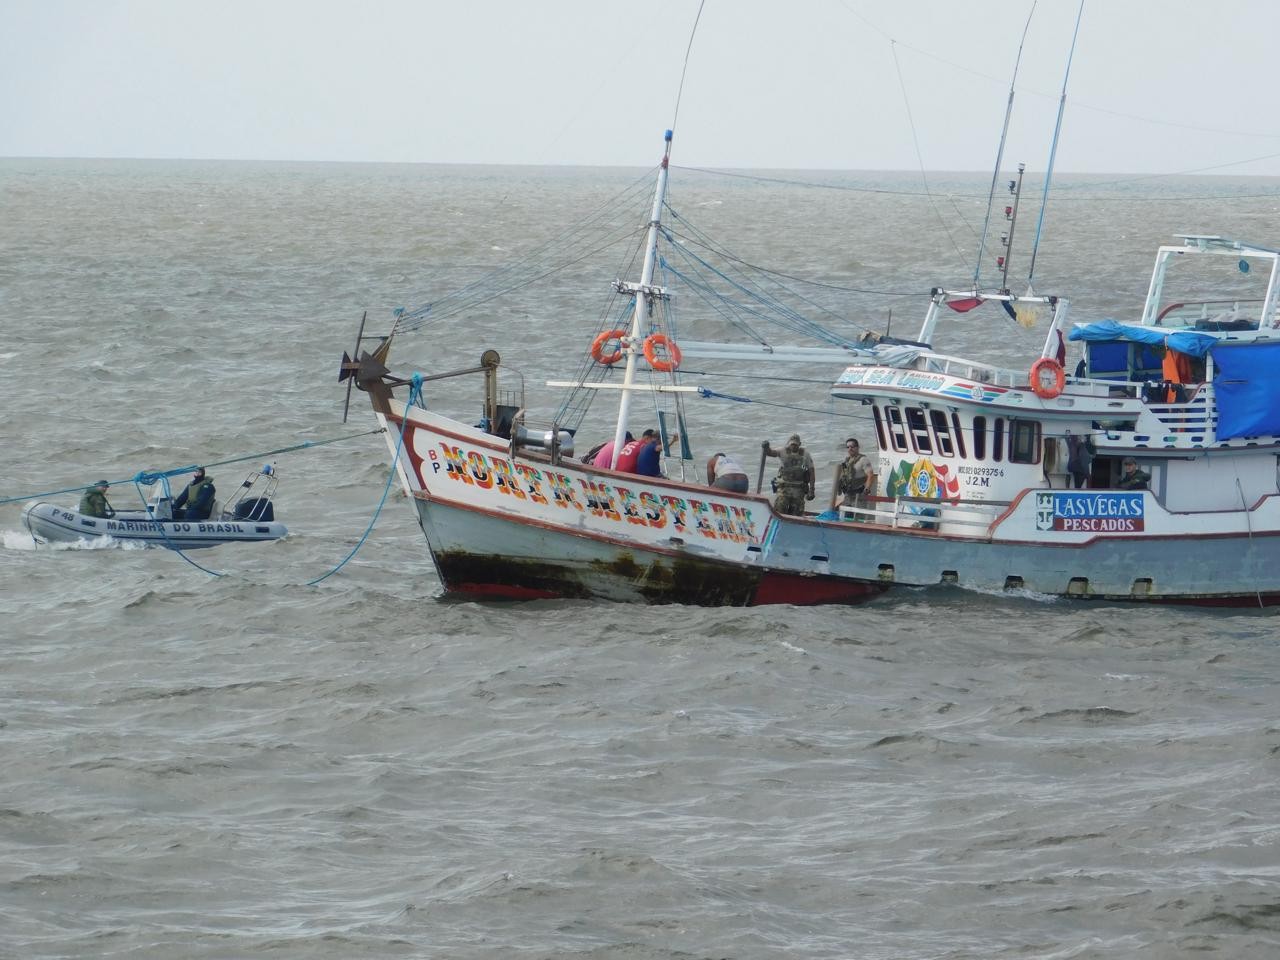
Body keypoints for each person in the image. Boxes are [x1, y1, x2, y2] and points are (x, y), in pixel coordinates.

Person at [762, 434, 815, 515]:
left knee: (796, 513)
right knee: (779, 509)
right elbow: (771, 453)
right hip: (784, 488)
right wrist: (766, 448)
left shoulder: (805, 454)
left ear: (799, 444)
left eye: (795, 445)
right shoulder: (783, 451)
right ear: (788, 444)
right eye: (792, 444)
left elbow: (811, 472)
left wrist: (811, 490)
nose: (793, 446)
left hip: (798, 488)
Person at [830, 437, 876, 513]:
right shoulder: (847, 460)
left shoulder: (863, 460)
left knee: (856, 516)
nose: (850, 448)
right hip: (847, 494)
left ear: (857, 447)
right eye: (848, 447)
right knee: (843, 515)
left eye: (852, 446)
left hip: (858, 494)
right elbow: (843, 476)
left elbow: (870, 475)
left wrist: (866, 491)